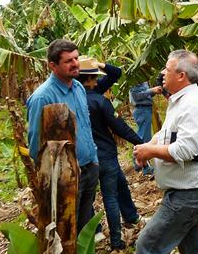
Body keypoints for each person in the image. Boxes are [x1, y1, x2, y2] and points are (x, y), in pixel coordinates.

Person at [133, 50, 198, 254]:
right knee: (194, 248)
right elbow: (168, 133)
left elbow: (186, 149)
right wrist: (147, 146)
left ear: (181, 75)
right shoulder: (180, 100)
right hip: (192, 188)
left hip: (190, 192)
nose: (163, 73)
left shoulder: (193, 105)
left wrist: (151, 151)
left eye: (167, 69)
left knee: (147, 246)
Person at [26, 39, 99, 234]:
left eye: (76, 58)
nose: (75, 63)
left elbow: (86, 125)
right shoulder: (43, 97)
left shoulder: (78, 87)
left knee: (84, 227)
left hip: (89, 167)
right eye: (68, 61)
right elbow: (36, 144)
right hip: (64, 177)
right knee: (65, 231)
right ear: (53, 65)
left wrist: (94, 159)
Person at [79, 56, 144, 251]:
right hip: (105, 155)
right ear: (89, 80)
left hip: (84, 157)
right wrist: (141, 143)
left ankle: (100, 230)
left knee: (89, 196)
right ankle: (116, 241)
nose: (98, 80)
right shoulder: (100, 100)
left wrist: (96, 65)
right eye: (94, 77)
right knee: (110, 197)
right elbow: (119, 127)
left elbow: (115, 73)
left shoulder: (73, 98)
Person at [130, 77, 160, 176]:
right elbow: (136, 96)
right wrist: (151, 90)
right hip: (142, 110)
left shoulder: (143, 78)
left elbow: (145, 94)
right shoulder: (135, 77)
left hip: (146, 109)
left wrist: (153, 91)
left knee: (145, 137)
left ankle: (142, 165)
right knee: (143, 138)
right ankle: (142, 166)